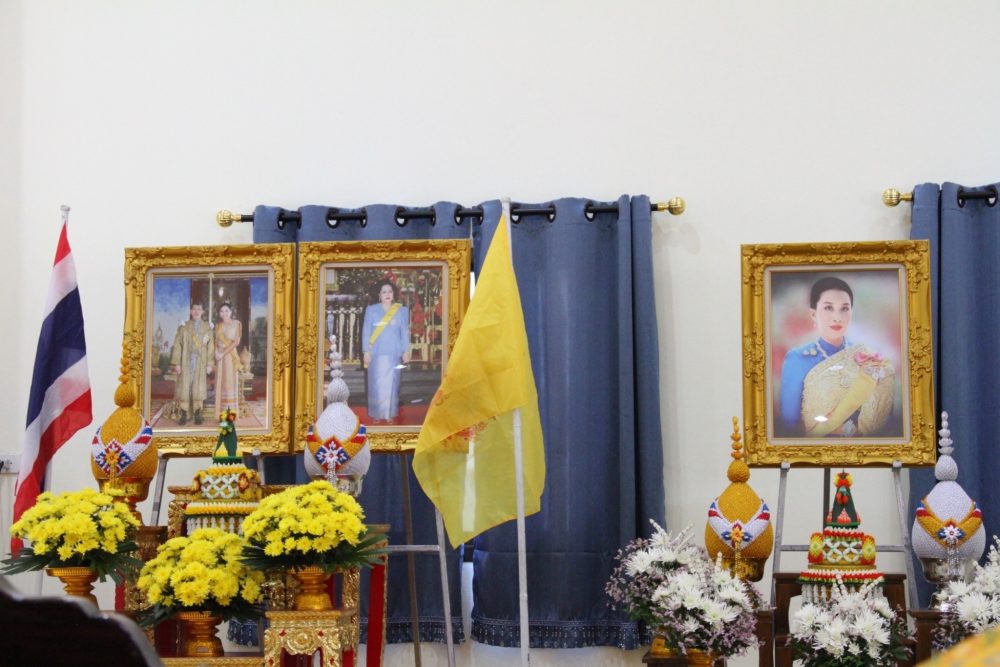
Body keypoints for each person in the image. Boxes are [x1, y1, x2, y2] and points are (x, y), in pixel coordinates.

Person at [777, 277, 895, 437]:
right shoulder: (798, 359)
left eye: (844, 309)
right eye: (828, 308)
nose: (837, 317)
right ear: (813, 314)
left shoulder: (868, 355)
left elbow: (884, 418)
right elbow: (789, 422)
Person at [361, 281, 410, 423]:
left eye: (390, 291)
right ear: (379, 295)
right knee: (376, 384)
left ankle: (390, 414)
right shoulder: (371, 310)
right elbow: (366, 332)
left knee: (392, 384)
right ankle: (377, 413)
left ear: (393, 294)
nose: (387, 294)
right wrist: (366, 351)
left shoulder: (401, 310)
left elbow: (404, 332)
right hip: (376, 353)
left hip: (394, 353)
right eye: (384, 292)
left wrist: (405, 351)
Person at [170, 301, 213, 426]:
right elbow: (177, 345)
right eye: (194, 309)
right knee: (185, 386)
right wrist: (177, 363)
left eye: (199, 309)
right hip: (186, 361)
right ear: (190, 311)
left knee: (198, 387)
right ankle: (184, 414)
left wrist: (209, 364)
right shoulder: (184, 327)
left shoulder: (207, 328)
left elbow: (210, 347)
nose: (196, 311)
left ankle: (197, 413)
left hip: (201, 362)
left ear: (202, 311)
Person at [213, 302, 243, 418]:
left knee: (229, 384)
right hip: (220, 357)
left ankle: (230, 414)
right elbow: (216, 341)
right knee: (221, 383)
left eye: (226, 311)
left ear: (231, 312)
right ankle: (221, 413)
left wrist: (222, 353)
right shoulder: (218, 325)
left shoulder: (237, 324)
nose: (224, 313)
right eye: (221, 311)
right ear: (219, 313)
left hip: (230, 356)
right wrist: (216, 352)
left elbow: (236, 342)